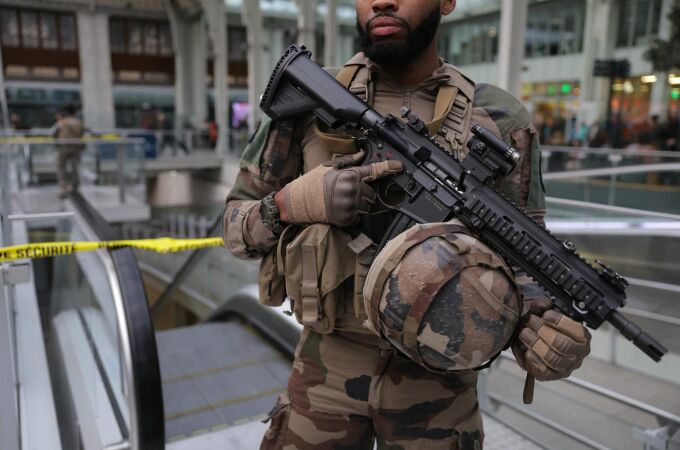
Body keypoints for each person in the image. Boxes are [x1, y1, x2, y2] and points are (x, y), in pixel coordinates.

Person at [224, 1, 591, 448]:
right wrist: (290, 204)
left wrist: (542, 332)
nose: (382, 0)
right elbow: (233, 230)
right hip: (325, 368)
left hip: (442, 385)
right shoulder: (313, 95)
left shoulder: (498, 118)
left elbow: (525, 257)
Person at [52, 105, 85, 198]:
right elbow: (83, 133)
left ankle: (63, 188)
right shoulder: (78, 122)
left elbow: (54, 133)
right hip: (76, 148)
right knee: (75, 168)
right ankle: (74, 187)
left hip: (63, 148)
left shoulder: (61, 122)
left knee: (61, 168)